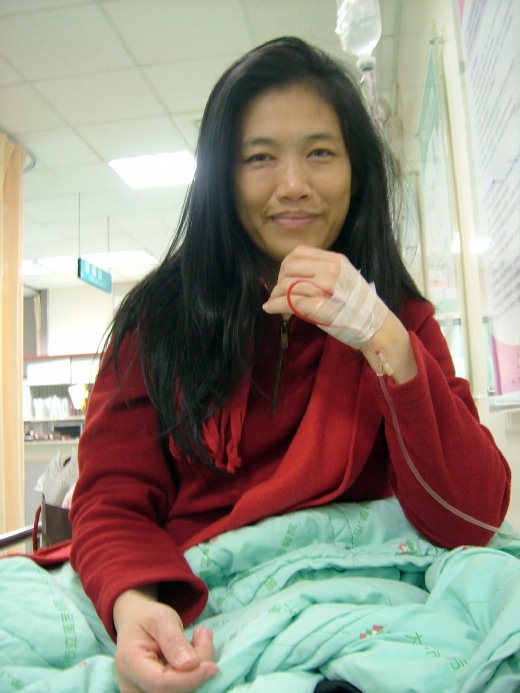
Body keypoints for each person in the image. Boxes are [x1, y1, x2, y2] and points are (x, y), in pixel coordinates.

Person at [68, 36, 511, 693]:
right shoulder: (158, 319)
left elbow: (470, 517)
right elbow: (111, 499)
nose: (294, 186)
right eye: (260, 157)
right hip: (203, 596)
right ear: (223, 178)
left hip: (362, 595)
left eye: (320, 153)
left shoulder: (401, 317)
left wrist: (387, 344)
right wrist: (135, 604)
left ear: (357, 169)